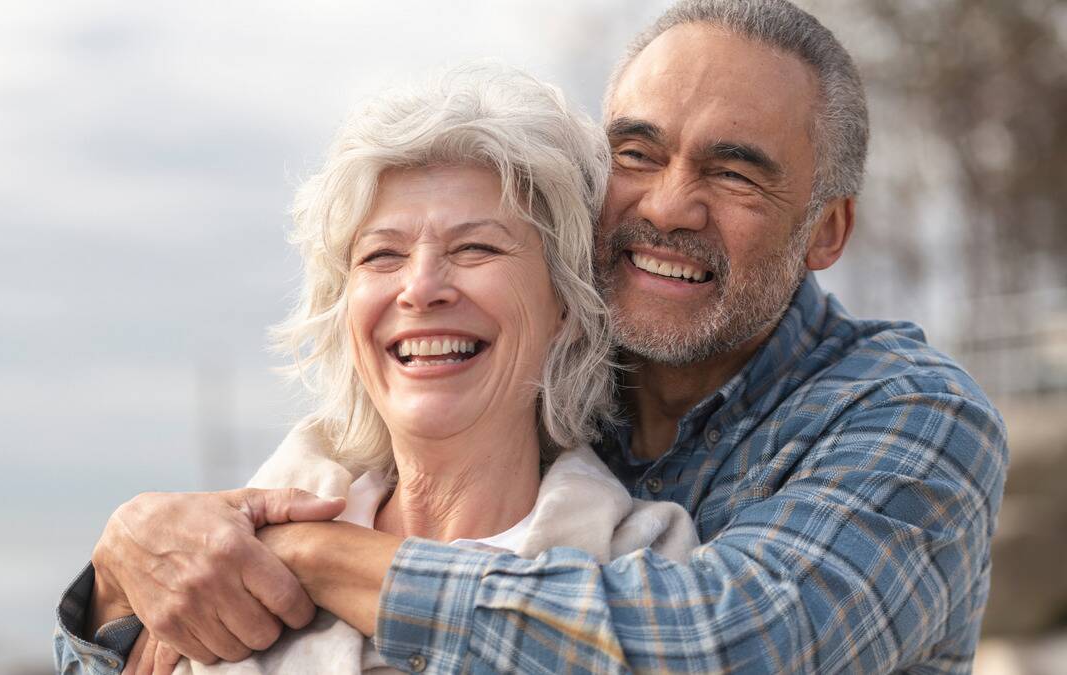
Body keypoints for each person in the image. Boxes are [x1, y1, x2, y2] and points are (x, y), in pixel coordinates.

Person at [57, 1, 1009, 673]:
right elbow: (177, 598)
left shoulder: (910, 413)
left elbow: (736, 646)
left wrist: (314, 560)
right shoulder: (528, 377)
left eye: (735, 172)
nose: (670, 204)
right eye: (636, 153)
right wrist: (122, 563)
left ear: (828, 232)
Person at [55, 64, 700, 675]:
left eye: (475, 248)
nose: (421, 289)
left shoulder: (648, 564)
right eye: (381, 255)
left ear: (565, 302)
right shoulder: (214, 567)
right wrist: (113, 580)